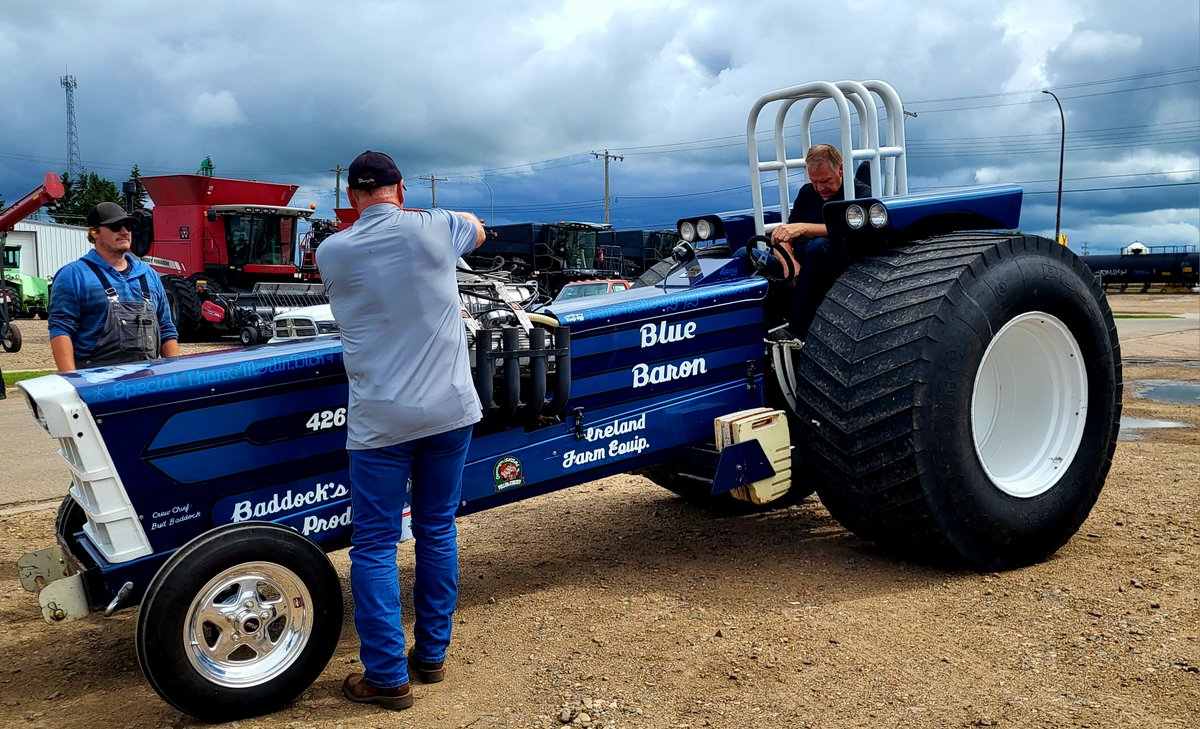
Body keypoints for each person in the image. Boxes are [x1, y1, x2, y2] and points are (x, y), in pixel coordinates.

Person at [317, 150, 486, 711]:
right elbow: (478, 231)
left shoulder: (332, 252)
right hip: (449, 411)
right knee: (437, 529)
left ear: (350, 199)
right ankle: (431, 655)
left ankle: (387, 676)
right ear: (402, 190)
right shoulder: (437, 228)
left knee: (374, 546)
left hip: (381, 420)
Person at [48, 202, 179, 372]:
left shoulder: (149, 275)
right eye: (115, 226)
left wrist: (175, 373)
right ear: (93, 232)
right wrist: (72, 382)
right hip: (96, 384)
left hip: (146, 382)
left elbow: (166, 328)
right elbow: (61, 330)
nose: (124, 231)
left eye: (129, 226)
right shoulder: (73, 275)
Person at [766, 143, 872, 342]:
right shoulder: (807, 193)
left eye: (826, 181)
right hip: (799, 263)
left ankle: (796, 333)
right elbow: (784, 236)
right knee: (747, 257)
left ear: (840, 169)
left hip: (837, 263)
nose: (820, 187)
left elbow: (849, 228)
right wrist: (790, 264)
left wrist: (804, 228)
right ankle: (762, 332)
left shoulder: (859, 194)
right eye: (815, 182)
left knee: (817, 247)